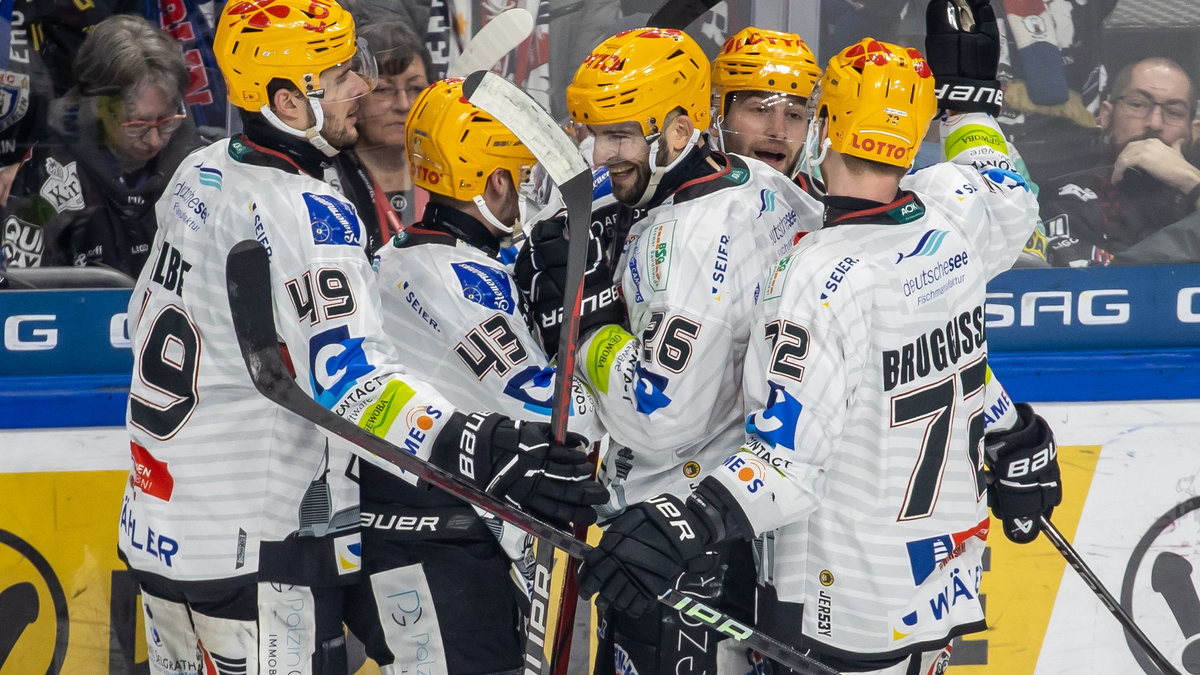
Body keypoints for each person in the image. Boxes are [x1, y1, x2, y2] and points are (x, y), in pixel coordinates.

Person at [120, 2, 604, 674]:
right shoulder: (308, 210)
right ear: (289, 102)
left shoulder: (198, 174)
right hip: (256, 548)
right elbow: (353, 383)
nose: (364, 88)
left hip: (158, 534)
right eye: (343, 73)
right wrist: (485, 444)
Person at [576, 5, 1063, 673]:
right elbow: (1000, 201)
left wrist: (587, 329)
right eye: (756, 108)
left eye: (796, 111)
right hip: (935, 586)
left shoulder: (810, 264)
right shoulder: (943, 226)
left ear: (823, 123)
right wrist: (970, 106)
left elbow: (783, 461)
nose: (777, 130)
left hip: (827, 594)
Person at [515, 26, 824, 675]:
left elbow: (657, 412)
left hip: (675, 540)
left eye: (622, 134)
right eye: (600, 133)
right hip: (738, 531)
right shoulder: (768, 190)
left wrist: (588, 319)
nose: (605, 152)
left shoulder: (688, 240)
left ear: (681, 131)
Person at [349, 78, 605, 675]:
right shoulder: (459, 283)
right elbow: (563, 416)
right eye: (524, 174)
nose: (533, 189)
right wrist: (592, 316)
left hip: (421, 543)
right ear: (494, 182)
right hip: (433, 554)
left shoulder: (410, 255)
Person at [0, 15, 202, 277]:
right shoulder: (50, 177)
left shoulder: (202, 167)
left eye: (166, 121)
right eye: (137, 124)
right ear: (98, 108)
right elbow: (19, 292)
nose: (154, 140)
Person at [1040, 57, 1200, 266]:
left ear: (1194, 132)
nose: (1155, 123)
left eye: (1174, 112)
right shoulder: (1067, 201)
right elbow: (1100, 289)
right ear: (1106, 115)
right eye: (1138, 104)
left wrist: (1191, 181)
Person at [336, 20, 433, 252]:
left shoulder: (448, 173)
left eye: (415, 88)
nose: (403, 104)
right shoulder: (328, 179)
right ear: (354, 97)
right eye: (383, 89)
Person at [711, 27, 822, 177]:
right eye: (760, 109)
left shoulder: (815, 200)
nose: (778, 132)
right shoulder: (686, 198)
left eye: (794, 115)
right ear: (715, 118)